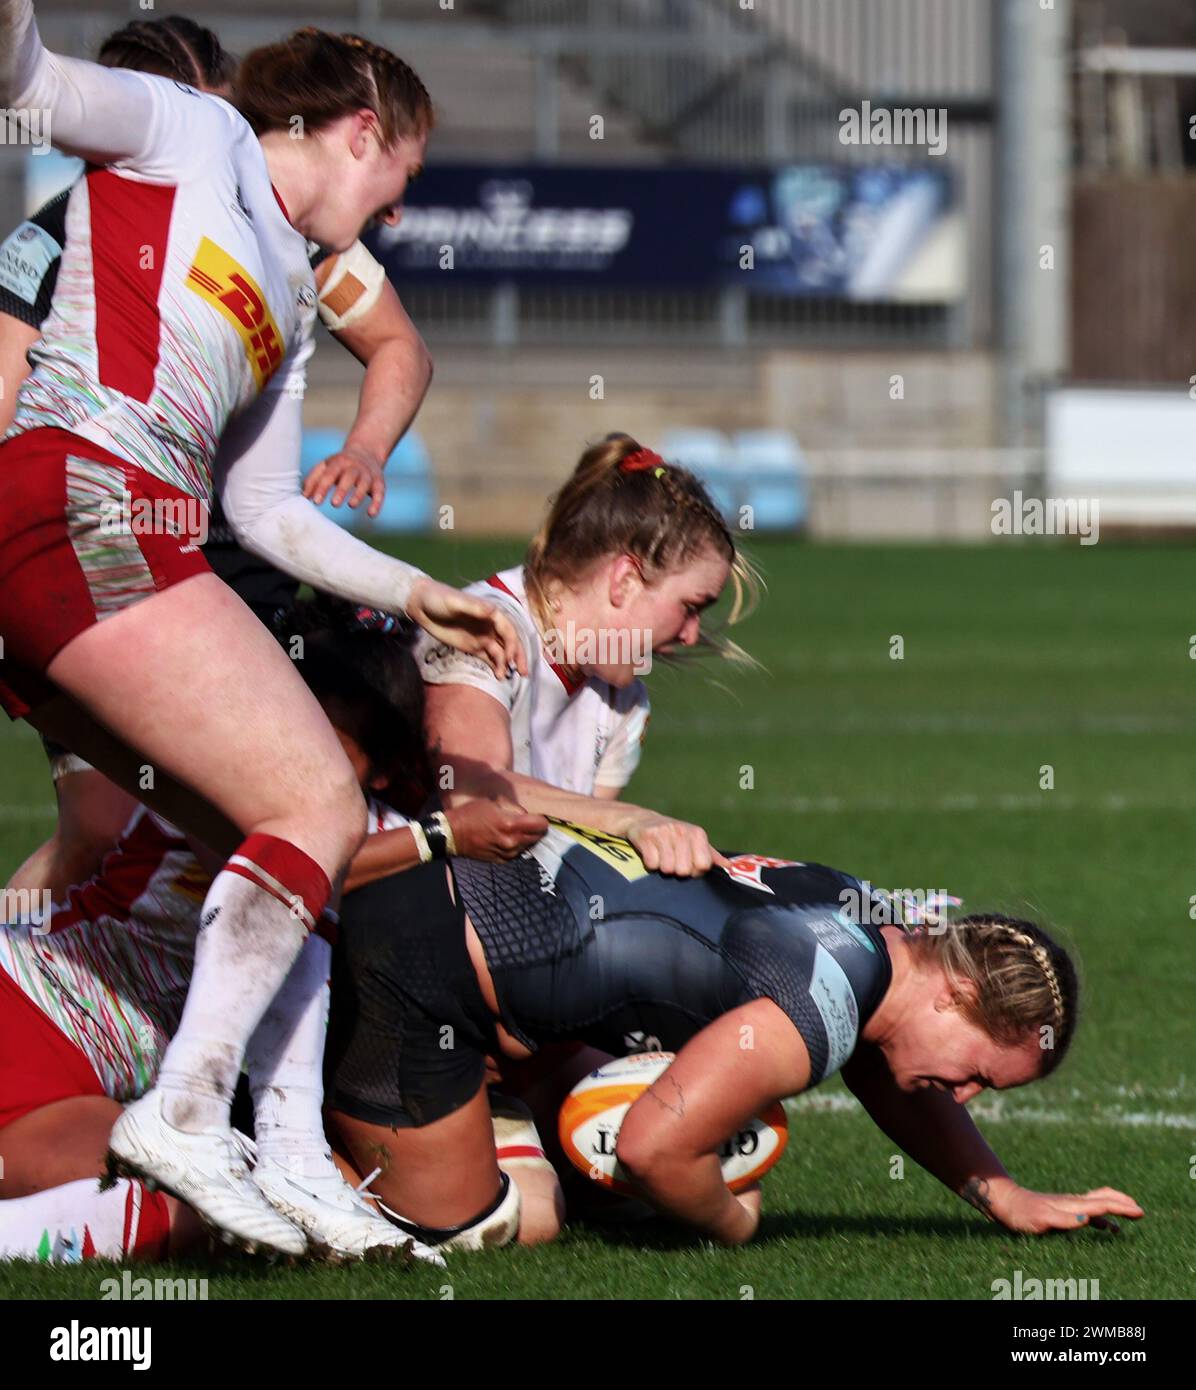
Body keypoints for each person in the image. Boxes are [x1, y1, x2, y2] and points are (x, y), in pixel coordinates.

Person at [0, 3, 523, 1257]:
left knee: (278, 827)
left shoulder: (291, 282)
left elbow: (264, 510)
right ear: (357, 129)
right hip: (78, 501)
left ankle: (287, 1150)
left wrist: (411, 591)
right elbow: (26, 79)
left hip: (119, 531)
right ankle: (184, 1110)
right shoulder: (186, 130)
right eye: (401, 173)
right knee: (320, 807)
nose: (396, 211)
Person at [0, 15, 437, 903]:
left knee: (262, 820)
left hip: (213, 556)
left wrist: (364, 446)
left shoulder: (302, 237)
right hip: (92, 536)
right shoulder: (62, 234)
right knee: (107, 825)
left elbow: (401, 346)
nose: (228, 129)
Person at [0, 599, 545, 1265]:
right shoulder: (219, 781)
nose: (292, 748)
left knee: (195, 1213)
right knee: (190, 1206)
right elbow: (288, 866)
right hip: (29, 1009)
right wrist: (440, 837)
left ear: (377, 769)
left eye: (324, 741)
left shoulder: (375, 829)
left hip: (99, 1071)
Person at [322, 827, 1144, 1249]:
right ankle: (262, 1149)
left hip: (472, 931)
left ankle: (462, 1104)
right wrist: (731, 1221)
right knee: (508, 1225)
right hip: (414, 967)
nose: (964, 1096)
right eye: (978, 1076)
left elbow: (895, 1076)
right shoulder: (824, 1004)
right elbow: (653, 1149)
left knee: (588, 1184)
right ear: (959, 992)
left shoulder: (890, 930)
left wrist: (998, 1190)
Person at [422, 431, 761, 877]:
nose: (693, 634)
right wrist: (631, 821)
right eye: (690, 607)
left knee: (871, 923)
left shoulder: (623, 699)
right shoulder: (483, 629)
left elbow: (580, 867)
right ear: (624, 580)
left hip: (526, 917)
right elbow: (472, 790)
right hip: (411, 920)